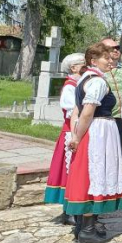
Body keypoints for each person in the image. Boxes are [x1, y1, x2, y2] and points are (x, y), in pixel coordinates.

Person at [64, 43, 122, 243]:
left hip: (91, 131)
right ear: (93, 60)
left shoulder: (83, 78)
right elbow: (87, 111)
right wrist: (77, 136)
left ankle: (83, 225)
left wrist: (75, 134)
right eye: (106, 58)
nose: (110, 61)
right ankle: (88, 229)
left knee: (88, 175)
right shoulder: (97, 81)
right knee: (95, 175)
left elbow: (76, 111)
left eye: (111, 58)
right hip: (98, 131)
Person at [44, 52, 84, 225]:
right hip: (71, 132)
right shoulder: (70, 86)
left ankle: (77, 208)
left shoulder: (80, 83)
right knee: (69, 172)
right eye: (82, 63)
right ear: (73, 67)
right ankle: (68, 211)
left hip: (80, 131)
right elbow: (71, 109)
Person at [100, 37, 122, 206]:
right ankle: (103, 192)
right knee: (104, 156)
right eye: (111, 48)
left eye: (118, 47)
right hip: (105, 119)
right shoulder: (99, 70)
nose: (116, 50)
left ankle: (119, 192)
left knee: (120, 155)